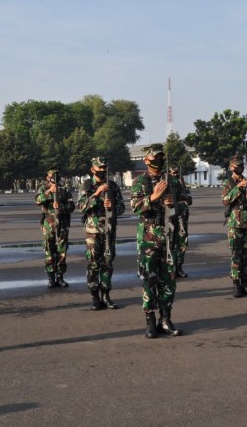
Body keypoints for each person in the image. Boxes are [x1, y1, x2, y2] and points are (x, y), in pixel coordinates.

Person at [130, 144, 184, 338]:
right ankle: (150, 321)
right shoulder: (140, 182)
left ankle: (166, 319)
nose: (158, 161)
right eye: (154, 158)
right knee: (149, 280)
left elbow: (186, 202)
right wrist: (153, 197)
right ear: (146, 160)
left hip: (169, 238)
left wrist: (174, 203)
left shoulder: (173, 182)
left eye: (161, 158)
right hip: (149, 239)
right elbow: (135, 207)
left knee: (169, 280)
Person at [77, 157, 125, 310]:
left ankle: (106, 294)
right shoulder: (86, 185)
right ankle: (94, 296)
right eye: (100, 168)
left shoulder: (112, 186)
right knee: (93, 263)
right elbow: (81, 206)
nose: (103, 171)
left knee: (108, 263)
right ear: (93, 169)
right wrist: (96, 194)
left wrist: (112, 207)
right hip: (93, 231)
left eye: (105, 168)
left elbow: (122, 207)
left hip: (109, 229)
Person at [222, 154, 247, 298]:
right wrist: (238, 188)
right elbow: (225, 201)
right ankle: (236, 285)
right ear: (232, 167)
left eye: (242, 165)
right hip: (235, 225)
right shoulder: (228, 183)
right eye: (238, 166)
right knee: (236, 256)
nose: (241, 168)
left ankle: (245, 284)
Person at [35, 168, 75, 288]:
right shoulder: (43, 188)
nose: (55, 178)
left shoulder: (65, 189)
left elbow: (72, 206)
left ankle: (60, 276)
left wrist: (61, 207)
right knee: (49, 250)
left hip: (62, 224)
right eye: (52, 175)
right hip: (48, 224)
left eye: (57, 175)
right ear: (48, 177)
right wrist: (48, 192)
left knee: (62, 250)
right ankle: (51, 277)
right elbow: (37, 200)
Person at [168, 165, 192, 279]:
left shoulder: (183, 186)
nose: (175, 175)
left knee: (182, 243)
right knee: (171, 243)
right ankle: (172, 268)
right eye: (173, 173)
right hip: (172, 219)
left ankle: (179, 267)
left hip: (183, 219)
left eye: (177, 173)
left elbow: (189, 201)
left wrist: (183, 189)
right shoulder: (168, 186)